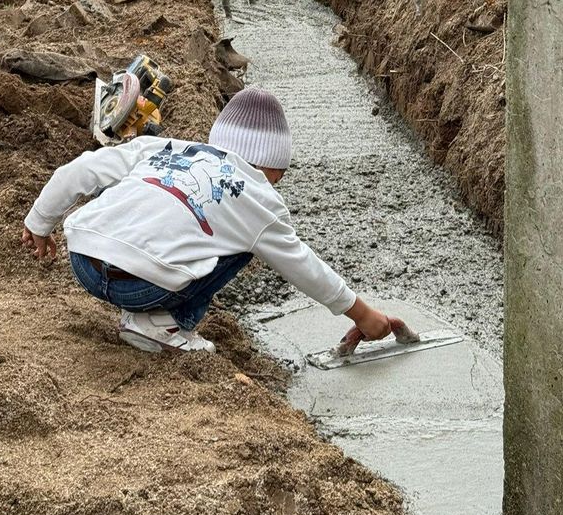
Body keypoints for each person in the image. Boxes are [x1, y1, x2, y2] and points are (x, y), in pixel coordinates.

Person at [21, 87, 394, 354]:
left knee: (136, 190)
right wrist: (363, 314)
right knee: (243, 243)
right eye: (276, 176)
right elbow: (301, 264)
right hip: (141, 285)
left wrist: (40, 222)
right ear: (273, 165)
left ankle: (140, 309)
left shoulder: (165, 148)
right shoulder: (256, 197)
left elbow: (83, 169)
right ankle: (159, 323)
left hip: (84, 260)